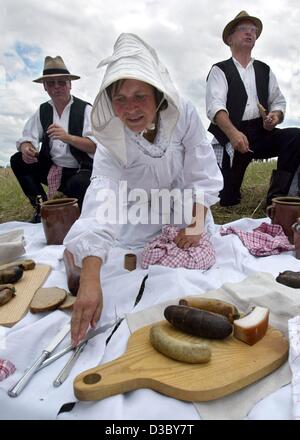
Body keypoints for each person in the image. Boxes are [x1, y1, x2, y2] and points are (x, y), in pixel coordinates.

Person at [64, 33, 223, 345]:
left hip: (183, 211)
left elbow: (201, 173)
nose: (130, 109)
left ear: (158, 94)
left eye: (140, 96)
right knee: (125, 273)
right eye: (120, 99)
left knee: (192, 279)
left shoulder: (184, 115)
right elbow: (102, 197)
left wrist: (195, 224)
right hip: (136, 216)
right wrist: (91, 278)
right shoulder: (111, 139)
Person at [206, 10, 300, 207]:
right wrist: (233, 134)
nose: (249, 33)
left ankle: (277, 201)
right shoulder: (220, 70)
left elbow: (278, 102)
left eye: (253, 30)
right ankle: (229, 192)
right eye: (243, 29)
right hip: (232, 134)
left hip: (261, 133)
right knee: (226, 200)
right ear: (230, 39)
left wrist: (275, 116)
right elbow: (215, 106)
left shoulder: (264, 70)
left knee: (295, 137)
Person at [10, 55, 97, 222]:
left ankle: (63, 208)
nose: (56, 87)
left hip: (80, 170)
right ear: (45, 87)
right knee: (17, 160)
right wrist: (26, 148)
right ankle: (40, 207)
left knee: (79, 184)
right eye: (51, 83)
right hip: (53, 168)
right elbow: (27, 138)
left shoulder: (85, 109)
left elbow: (95, 147)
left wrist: (68, 138)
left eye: (61, 82)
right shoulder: (43, 110)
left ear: (70, 84)